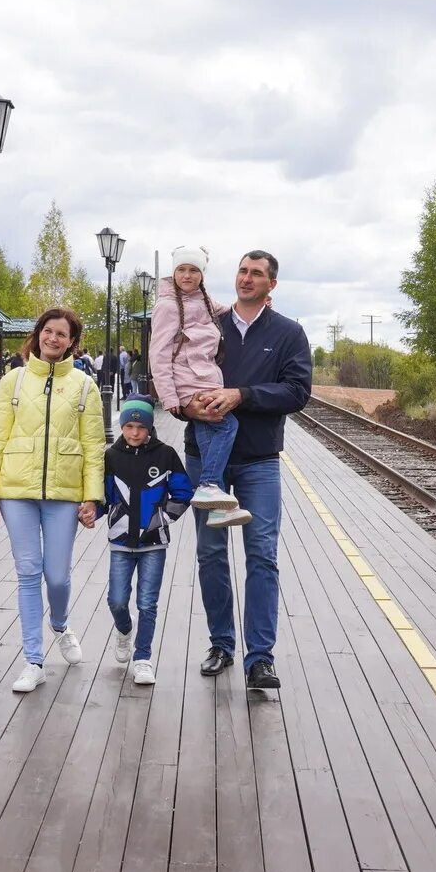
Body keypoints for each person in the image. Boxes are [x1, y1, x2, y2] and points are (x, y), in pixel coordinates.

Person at [183, 251, 312, 690]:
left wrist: (242, 395)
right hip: (204, 458)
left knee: (262, 555)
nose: (247, 278)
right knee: (211, 554)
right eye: (242, 271)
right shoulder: (208, 325)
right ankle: (221, 644)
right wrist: (188, 405)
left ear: (271, 284)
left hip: (258, 461)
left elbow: (297, 392)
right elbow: (177, 375)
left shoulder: (289, 334)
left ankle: (261, 658)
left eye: (257, 274)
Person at [0, 307, 105, 694]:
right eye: (48, 331)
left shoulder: (85, 386)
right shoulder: (13, 382)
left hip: (64, 494)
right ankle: (33, 660)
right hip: (16, 490)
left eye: (62, 334)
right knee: (28, 572)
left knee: (57, 575)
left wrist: (92, 496)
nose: (53, 339)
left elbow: (93, 446)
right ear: (38, 335)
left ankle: (61, 624)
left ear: (72, 342)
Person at [150, 246, 249, 528]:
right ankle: (208, 484)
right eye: (182, 269)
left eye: (193, 270)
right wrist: (170, 399)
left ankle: (217, 506)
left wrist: (260, 305)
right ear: (174, 272)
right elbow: (158, 354)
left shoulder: (204, 301)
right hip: (188, 383)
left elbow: (232, 312)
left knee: (209, 432)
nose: (187, 275)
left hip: (204, 380)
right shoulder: (167, 306)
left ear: (202, 274)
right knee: (226, 425)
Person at [100, 399, 193, 687]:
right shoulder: (111, 456)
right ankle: (124, 630)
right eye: (129, 426)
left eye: (141, 427)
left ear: (151, 427)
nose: (135, 433)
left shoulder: (166, 455)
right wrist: (92, 510)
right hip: (120, 541)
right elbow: (103, 494)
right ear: (122, 426)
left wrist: (162, 519)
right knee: (116, 600)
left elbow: (183, 492)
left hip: (154, 543)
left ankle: (142, 658)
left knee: (147, 603)